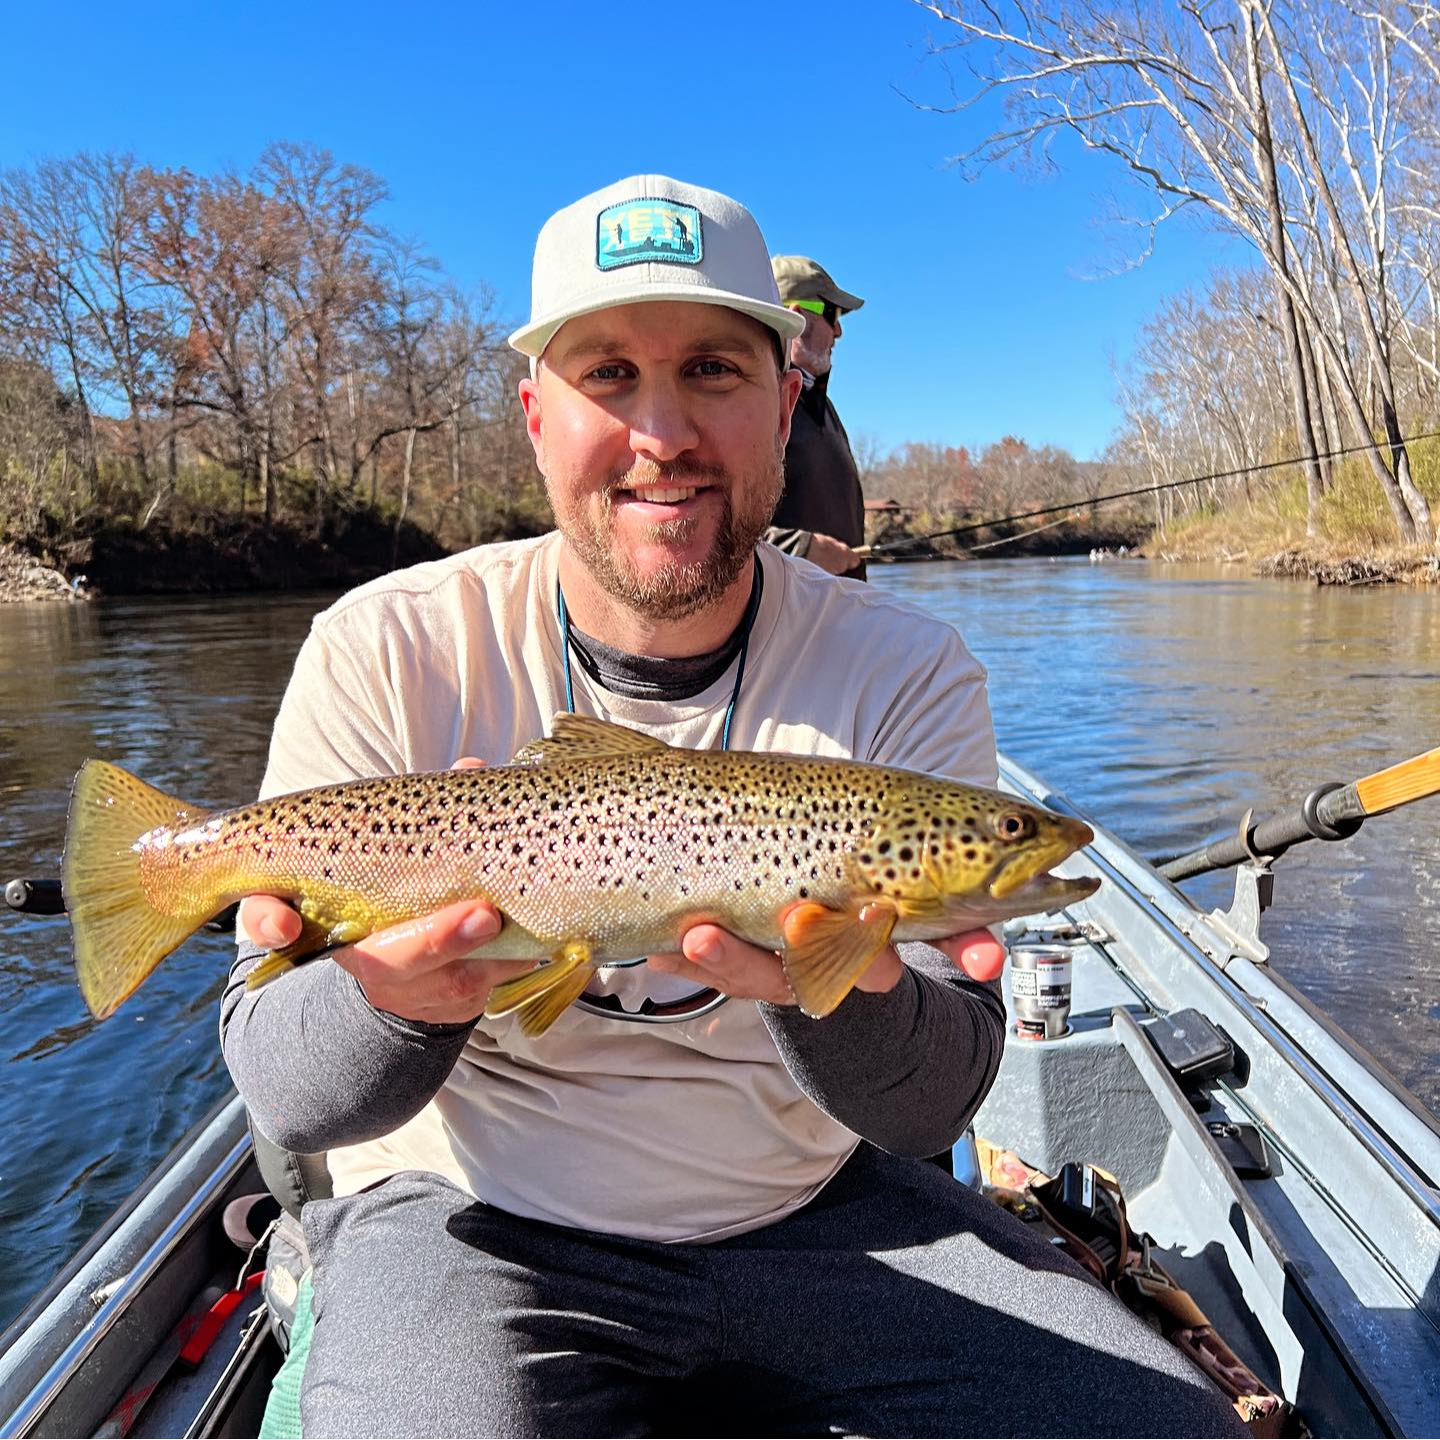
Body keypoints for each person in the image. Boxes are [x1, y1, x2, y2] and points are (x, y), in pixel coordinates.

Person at [224, 175, 1247, 1439]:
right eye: (608, 376)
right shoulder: (384, 649)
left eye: (712, 369)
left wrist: (849, 987)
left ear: (787, 401)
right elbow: (287, 1091)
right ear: (536, 413)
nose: (663, 433)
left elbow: (931, 1112)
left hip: (817, 1213)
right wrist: (392, 996)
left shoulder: (906, 669)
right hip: (469, 1223)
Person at [763, 255, 868, 579]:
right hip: (788, 624)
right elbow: (710, 534)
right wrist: (803, 549)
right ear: (797, 317)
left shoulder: (826, 409)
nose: (838, 331)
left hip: (839, 618)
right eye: (832, 314)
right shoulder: (756, 406)